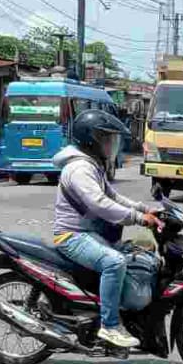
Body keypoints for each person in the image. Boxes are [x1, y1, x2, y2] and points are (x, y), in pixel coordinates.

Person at [47, 109, 162, 349]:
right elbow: (99, 204)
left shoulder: (92, 165)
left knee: (140, 250)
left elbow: (113, 196)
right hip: (73, 236)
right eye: (107, 139)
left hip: (90, 234)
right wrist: (138, 219)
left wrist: (145, 208)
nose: (111, 145)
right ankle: (109, 326)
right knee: (115, 262)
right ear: (91, 139)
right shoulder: (79, 169)